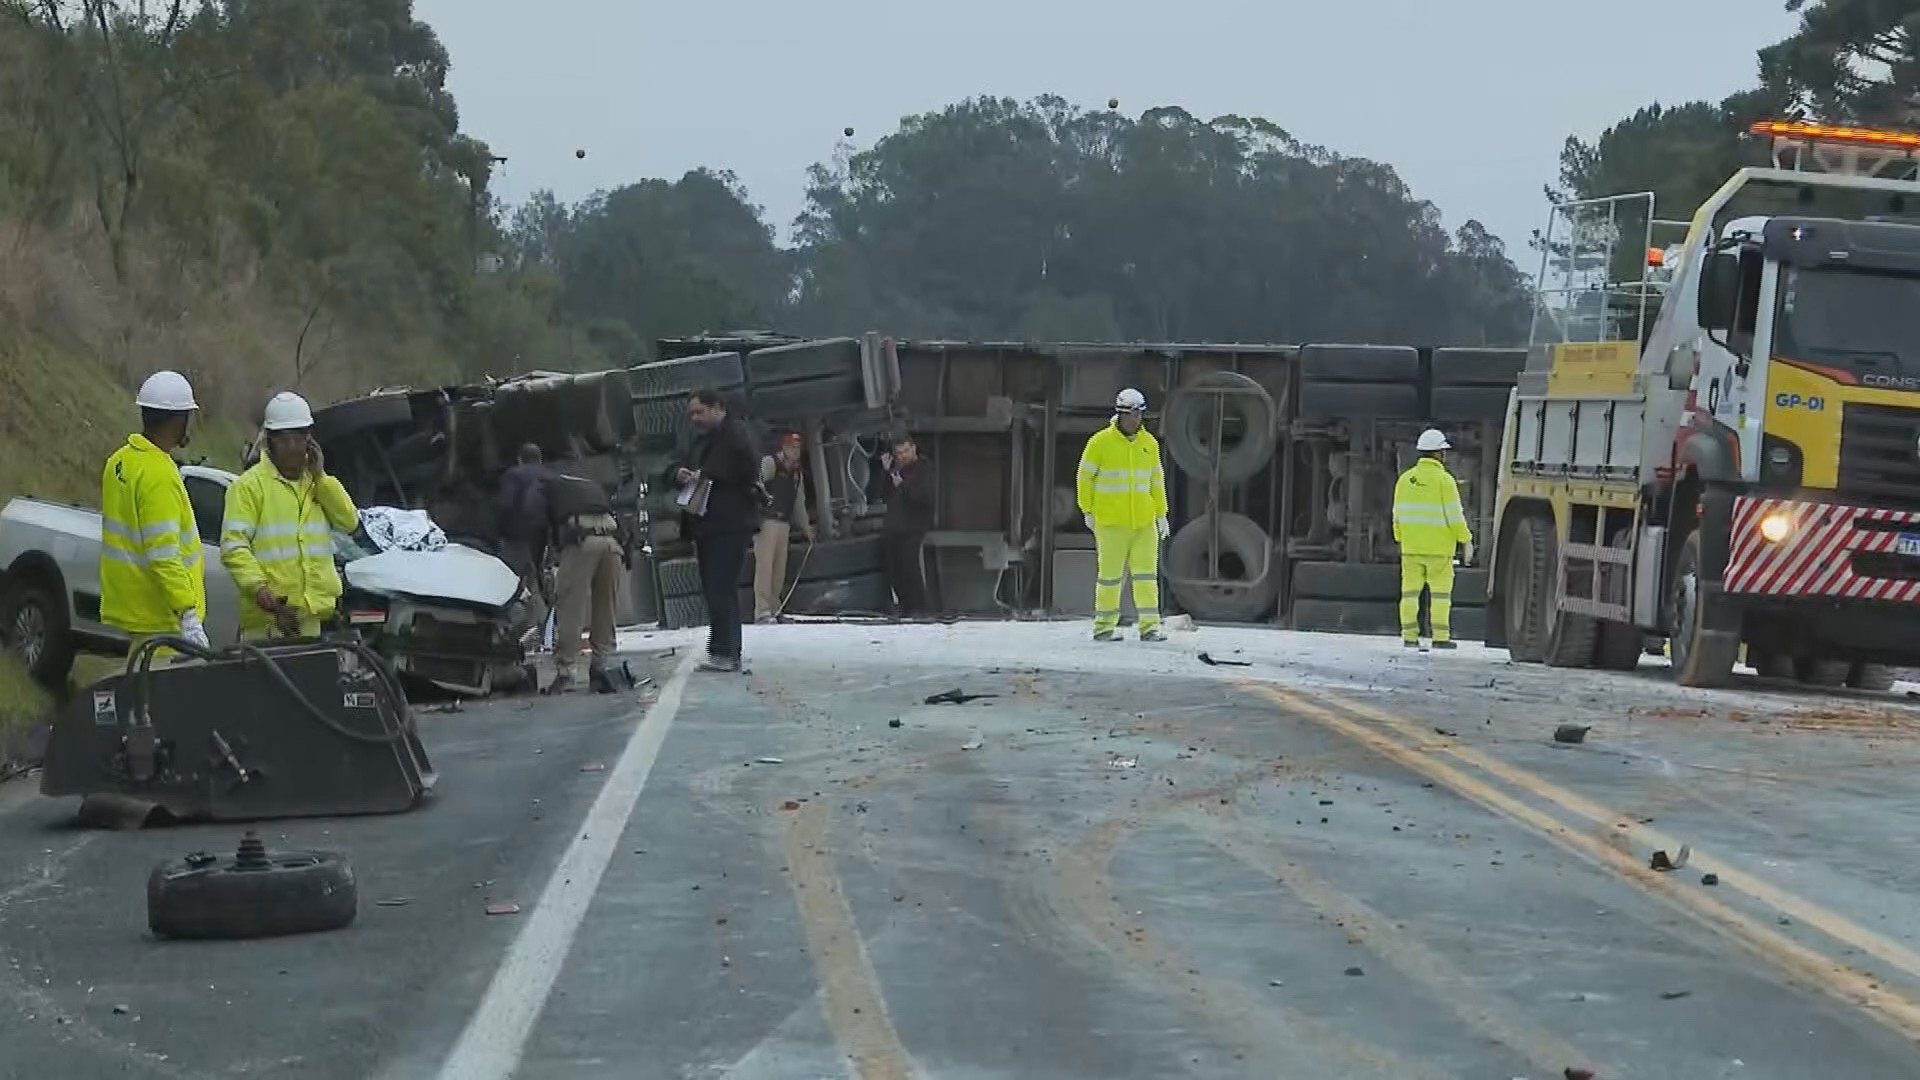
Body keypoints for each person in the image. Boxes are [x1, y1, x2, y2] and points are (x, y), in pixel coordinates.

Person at [219, 392, 359, 641]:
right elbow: (234, 547)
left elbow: (349, 522)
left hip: (311, 621)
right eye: (285, 440)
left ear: (310, 441)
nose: (293, 447)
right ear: (269, 442)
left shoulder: (316, 484)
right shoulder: (249, 487)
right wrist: (263, 593)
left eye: (299, 438)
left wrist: (322, 478)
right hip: (268, 626)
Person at [100, 370, 210, 656]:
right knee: (161, 697)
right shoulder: (158, 473)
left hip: (138, 610)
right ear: (176, 420)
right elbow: (163, 553)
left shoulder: (119, 461)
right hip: (164, 618)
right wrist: (187, 613)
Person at [672, 389, 759, 672]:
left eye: (700, 412)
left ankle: (727, 652)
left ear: (718, 407)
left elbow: (747, 468)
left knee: (721, 588)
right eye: (692, 414)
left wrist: (708, 473)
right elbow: (682, 463)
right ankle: (721, 649)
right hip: (707, 524)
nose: (695, 418)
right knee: (714, 589)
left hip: (729, 523)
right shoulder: (702, 440)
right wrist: (682, 474)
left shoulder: (736, 434)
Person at [1077, 388, 1170, 642]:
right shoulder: (1100, 443)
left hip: (1143, 524)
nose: (1135, 420)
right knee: (1109, 579)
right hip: (1111, 523)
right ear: (1119, 414)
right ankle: (1104, 627)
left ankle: (1149, 627)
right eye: (1130, 414)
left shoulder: (1149, 444)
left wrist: (1161, 514)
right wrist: (1087, 510)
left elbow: (1156, 481)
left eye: (1139, 414)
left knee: (1146, 577)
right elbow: (1085, 477)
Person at [525, 458, 623, 692]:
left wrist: (535, 564)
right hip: (612, 539)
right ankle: (603, 666)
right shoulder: (584, 482)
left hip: (581, 539)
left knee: (570, 606)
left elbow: (536, 525)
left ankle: (565, 672)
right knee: (605, 606)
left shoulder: (542, 486)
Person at [1392, 428, 1475, 650]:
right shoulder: (1445, 481)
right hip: (1439, 551)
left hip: (1410, 549)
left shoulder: (1404, 480)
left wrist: (1400, 538)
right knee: (1440, 596)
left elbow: (1397, 514)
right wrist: (1466, 540)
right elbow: (1454, 516)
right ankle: (1440, 637)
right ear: (1439, 454)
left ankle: (1409, 636)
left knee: (1409, 594)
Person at [754, 432, 814, 623]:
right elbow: (757, 488)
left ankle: (775, 606)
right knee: (765, 566)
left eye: (797, 449)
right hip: (767, 521)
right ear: (783, 448)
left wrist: (806, 528)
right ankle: (762, 609)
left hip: (784, 522)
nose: (794, 452)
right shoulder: (770, 463)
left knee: (779, 567)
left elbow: (799, 503)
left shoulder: (796, 473)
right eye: (791, 448)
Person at [496, 443, 554, 639]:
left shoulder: (514, 475)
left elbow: (505, 504)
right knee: (540, 577)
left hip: (519, 535)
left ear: (520, 459)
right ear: (540, 458)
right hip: (547, 533)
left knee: (519, 581)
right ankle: (548, 626)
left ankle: (528, 627)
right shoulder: (550, 475)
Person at [881, 433, 934, 618]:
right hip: (894, 525)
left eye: (905, 451)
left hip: (914, 525)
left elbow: (923, 497)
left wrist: (903, 486)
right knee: (895, 569)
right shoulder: (896, 469)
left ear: (913, 448)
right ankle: (905, 607)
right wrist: (886, 472)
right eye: (898, 453)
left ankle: (920, 609)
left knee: (911, 567)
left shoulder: (923, 469)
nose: (902, 456)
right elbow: (884, 494)